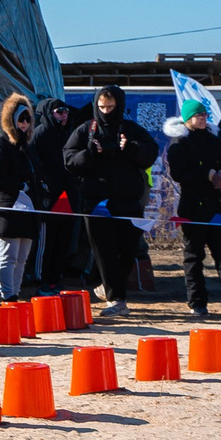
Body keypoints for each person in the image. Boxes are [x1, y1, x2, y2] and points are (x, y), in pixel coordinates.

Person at [63, 84, 160, 315]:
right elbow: (69, 159)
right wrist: (89, 152)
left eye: (111, 107)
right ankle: (116, 299)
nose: (106, 111)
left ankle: (108, 288)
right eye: (101, 107)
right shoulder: (85, 130)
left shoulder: (131, 129)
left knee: (127, 249)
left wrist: (131, 148)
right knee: (103, 250)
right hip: (97, 202)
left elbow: (151, 152)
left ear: (119, 105)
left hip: (128, 199)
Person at [164, 99, 221, 314]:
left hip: (217, 206)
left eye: (204, 115)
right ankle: (198, 303)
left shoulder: (214, 140)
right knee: (194, 257)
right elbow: (179, 173)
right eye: (197, 115)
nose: (202, 118)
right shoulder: (179, 144)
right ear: (187, 119)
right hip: (192, 206)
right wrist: (209, 175)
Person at [0, 94, 45, 302]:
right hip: (8, 209)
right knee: (8, 256)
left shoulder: (26, 146)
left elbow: (36, 171)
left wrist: (37, 190)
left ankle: (15, 292)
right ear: (10, 120)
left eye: (28, 119)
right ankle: (7, 295)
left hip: (28, 210)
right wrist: (19, 187)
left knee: (22, 258)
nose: (25, 124)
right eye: (21, 119)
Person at [27, 98, 80, 288]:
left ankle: (56, 276)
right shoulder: (39, 134)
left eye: (66, 111)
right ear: (50, 113)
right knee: (46, 239)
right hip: (49, 195)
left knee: (63, 237)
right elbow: (34, 163)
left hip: (67, 194)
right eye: (59, 111)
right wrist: (43, 186)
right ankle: (41, 277)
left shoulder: (69, 133)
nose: (64, 115)